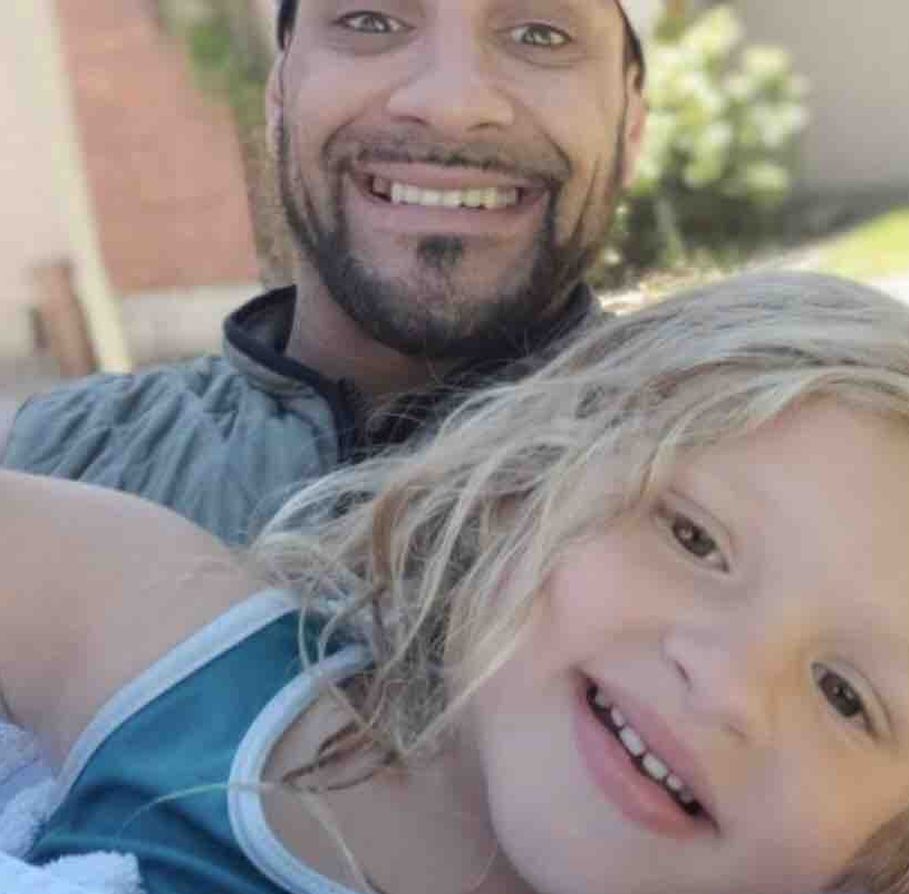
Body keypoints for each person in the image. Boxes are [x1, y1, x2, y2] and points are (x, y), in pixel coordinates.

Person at [0, 274, 909, 894]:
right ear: (522, 490)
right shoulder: (192, 662)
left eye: (846, 695)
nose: (729, 685)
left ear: (894, 850)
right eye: (694, 539)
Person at [0, 0, 649, 545]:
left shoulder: (694, 486)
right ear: (278, 100)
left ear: (631, 132)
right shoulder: (45, 465)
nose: (451, 104)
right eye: (369, 21)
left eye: (540, 35)